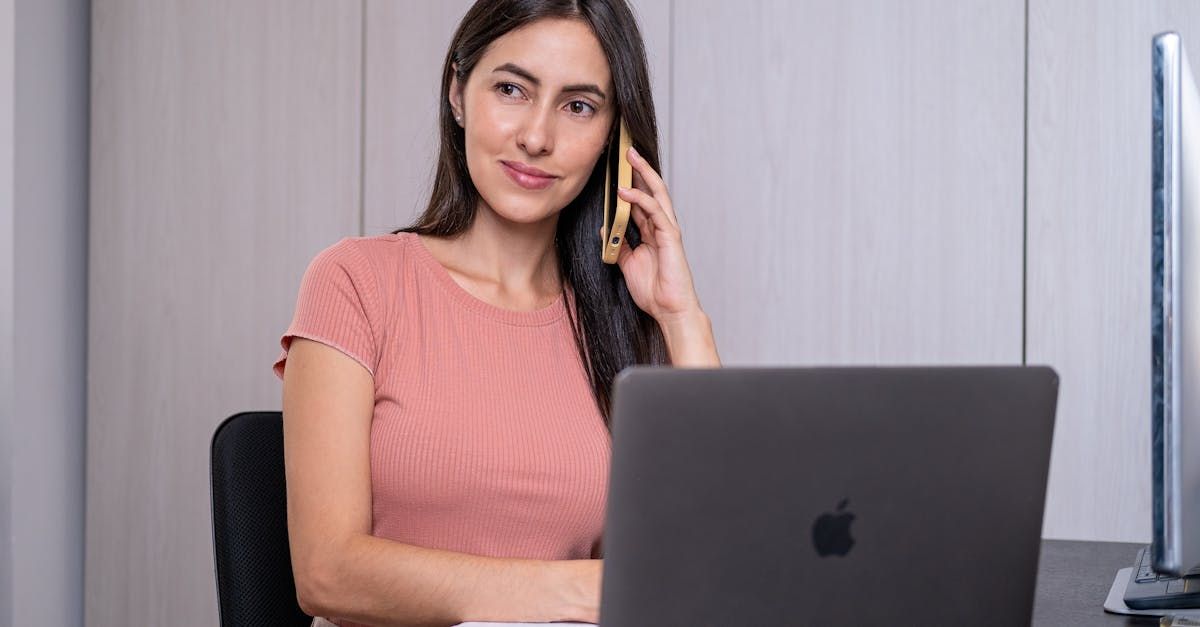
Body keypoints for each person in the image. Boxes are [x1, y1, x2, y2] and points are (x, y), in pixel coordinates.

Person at [273, 1, 720, 625]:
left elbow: (710, 564)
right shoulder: (355, 283)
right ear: (458, 93)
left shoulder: (621, 327)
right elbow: (328, 573)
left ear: (615, 138)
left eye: (579, 106)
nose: (537, 137)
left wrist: (680, 317)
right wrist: (580, 591)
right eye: (512, 89)